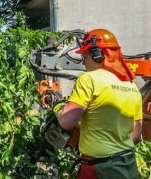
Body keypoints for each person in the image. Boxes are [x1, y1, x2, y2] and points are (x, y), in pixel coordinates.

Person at [54, 29, 143, 179]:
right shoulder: (131, 86)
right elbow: (136, 135)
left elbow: (66, 122)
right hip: (128, 166)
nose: (83, 60)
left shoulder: (89, 79)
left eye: (85, 55)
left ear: (97, 54)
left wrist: (57, 107)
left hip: (101, 169)